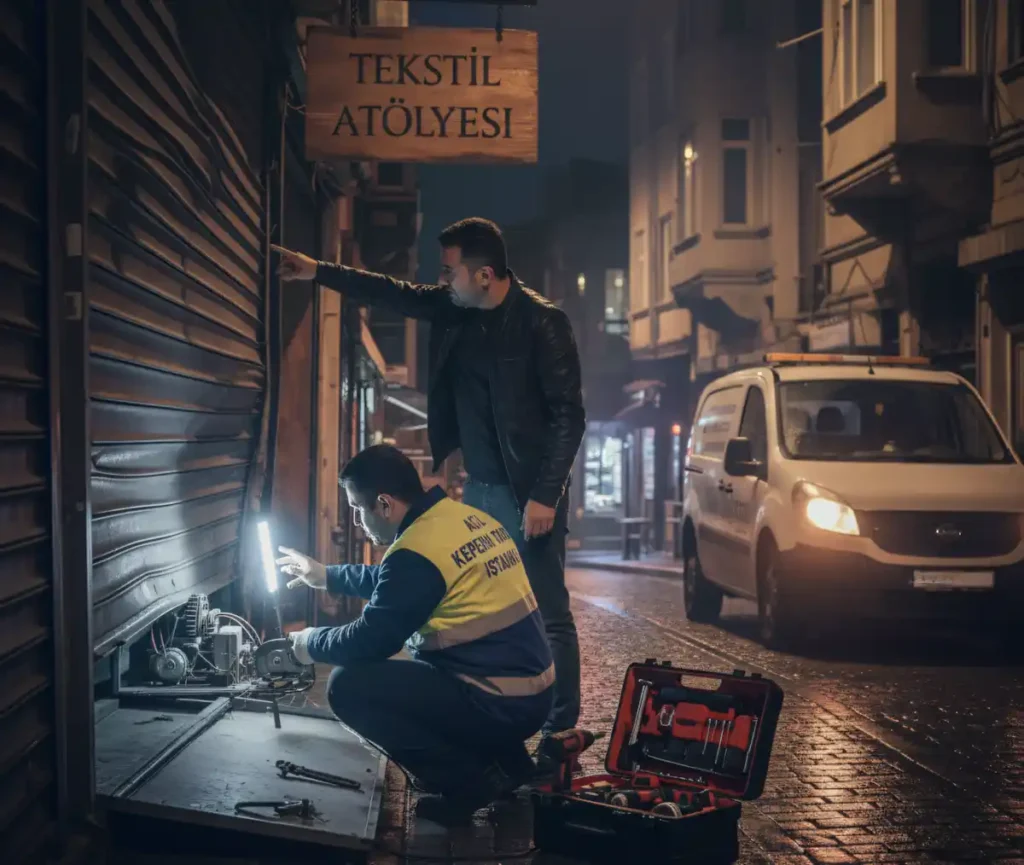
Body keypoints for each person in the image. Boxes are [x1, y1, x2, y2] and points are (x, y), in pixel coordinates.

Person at [273, 217, 585, 764]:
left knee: (544, 608)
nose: (442, 281)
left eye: (450, 270)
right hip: (484, 486)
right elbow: (392, 292)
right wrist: (318, 270)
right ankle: (482, 715)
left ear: (484, 275)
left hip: (529, 489)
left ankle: (559, 730)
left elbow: (568, 415)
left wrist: (546, 493)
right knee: (466, 594)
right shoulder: (455, 308)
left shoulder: (543, 324)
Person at [280, 444, 554, 824]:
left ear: (385, 504)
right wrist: (325, 575)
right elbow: (397, 582)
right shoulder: (460, 520)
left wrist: (309, 643)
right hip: (530, 693)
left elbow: (371, 640)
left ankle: (467, 783)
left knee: (348, 686)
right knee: (438, 671)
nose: (359, 521)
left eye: (358, 509)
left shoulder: (415, 552)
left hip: (497, 703)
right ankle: (511, 765)